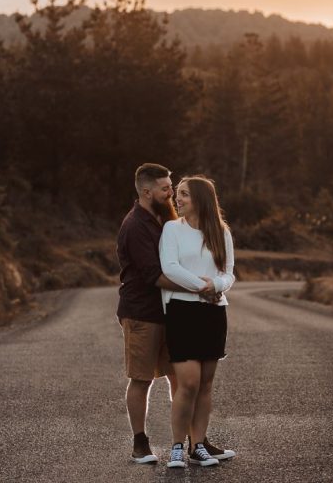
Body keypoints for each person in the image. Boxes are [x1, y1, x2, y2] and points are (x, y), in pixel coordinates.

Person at [116, 163, 216, 464]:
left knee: (180, 378)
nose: (171, 192)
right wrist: (200, 288)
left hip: (171, 311)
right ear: (147, 192)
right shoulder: (135, 225)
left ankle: (195, 442)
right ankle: (140, 443)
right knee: (142, 378)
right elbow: (155, 276)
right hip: (142, 313)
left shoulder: (166, 218)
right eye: (165, 188)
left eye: (171, 187)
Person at [158, 175, 237, 468]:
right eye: (177, 194)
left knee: (205, 383)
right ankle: (177, 446)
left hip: (214, 312)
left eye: (184, 195)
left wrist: (216, 286)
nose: (177, 199)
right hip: (182, 310)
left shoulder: (221, 231)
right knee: (188, 383)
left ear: (201, 199)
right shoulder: (172, 229)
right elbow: (170, 267)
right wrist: (201, 286)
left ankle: (198, 445)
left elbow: (229, 273)